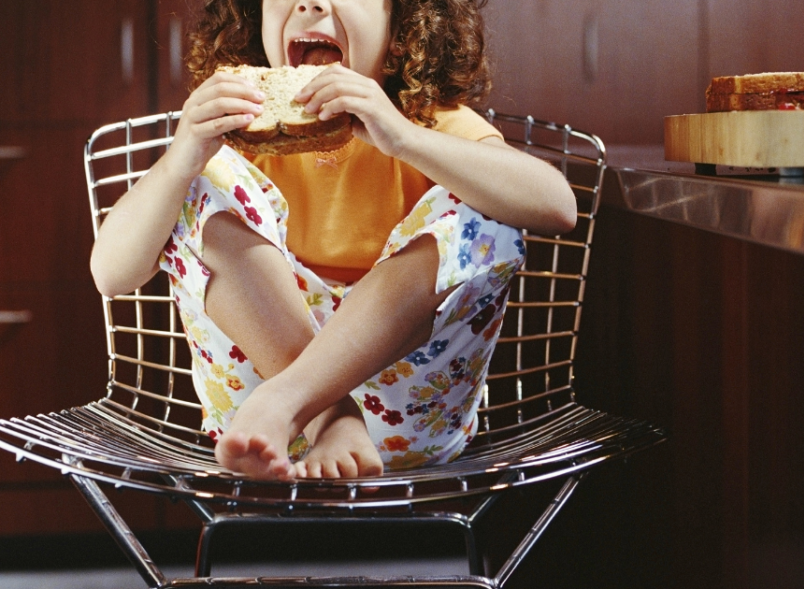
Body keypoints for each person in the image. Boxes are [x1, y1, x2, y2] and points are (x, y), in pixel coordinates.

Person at [88, 0, 576, 482]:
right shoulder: (238, 133)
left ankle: (299, 399)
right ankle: (331, 416)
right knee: (194, 189)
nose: (310, 2)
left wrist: (403, 139)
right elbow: (111, 274)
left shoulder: (427, 124)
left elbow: (557, 206)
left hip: (409, 417)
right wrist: (182, 158)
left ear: (403, 26)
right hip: (261, 416)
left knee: (483, 212)